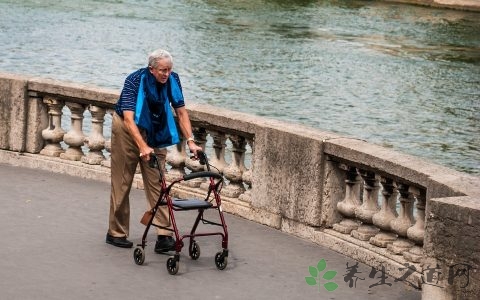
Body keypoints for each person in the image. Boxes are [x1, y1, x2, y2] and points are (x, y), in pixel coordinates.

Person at [106, 48, 202, 251]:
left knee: (158, 182)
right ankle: (116, 232)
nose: (166, 74)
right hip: (127, 129)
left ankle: (163, 235)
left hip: (155, 129)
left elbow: (181, 112)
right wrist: (142, 146)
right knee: (122, 180)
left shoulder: (173, 80)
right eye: (162, 70)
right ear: (151, 69)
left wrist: (191, 140)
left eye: (169, 70)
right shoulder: (134, 80)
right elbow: (129, 119)